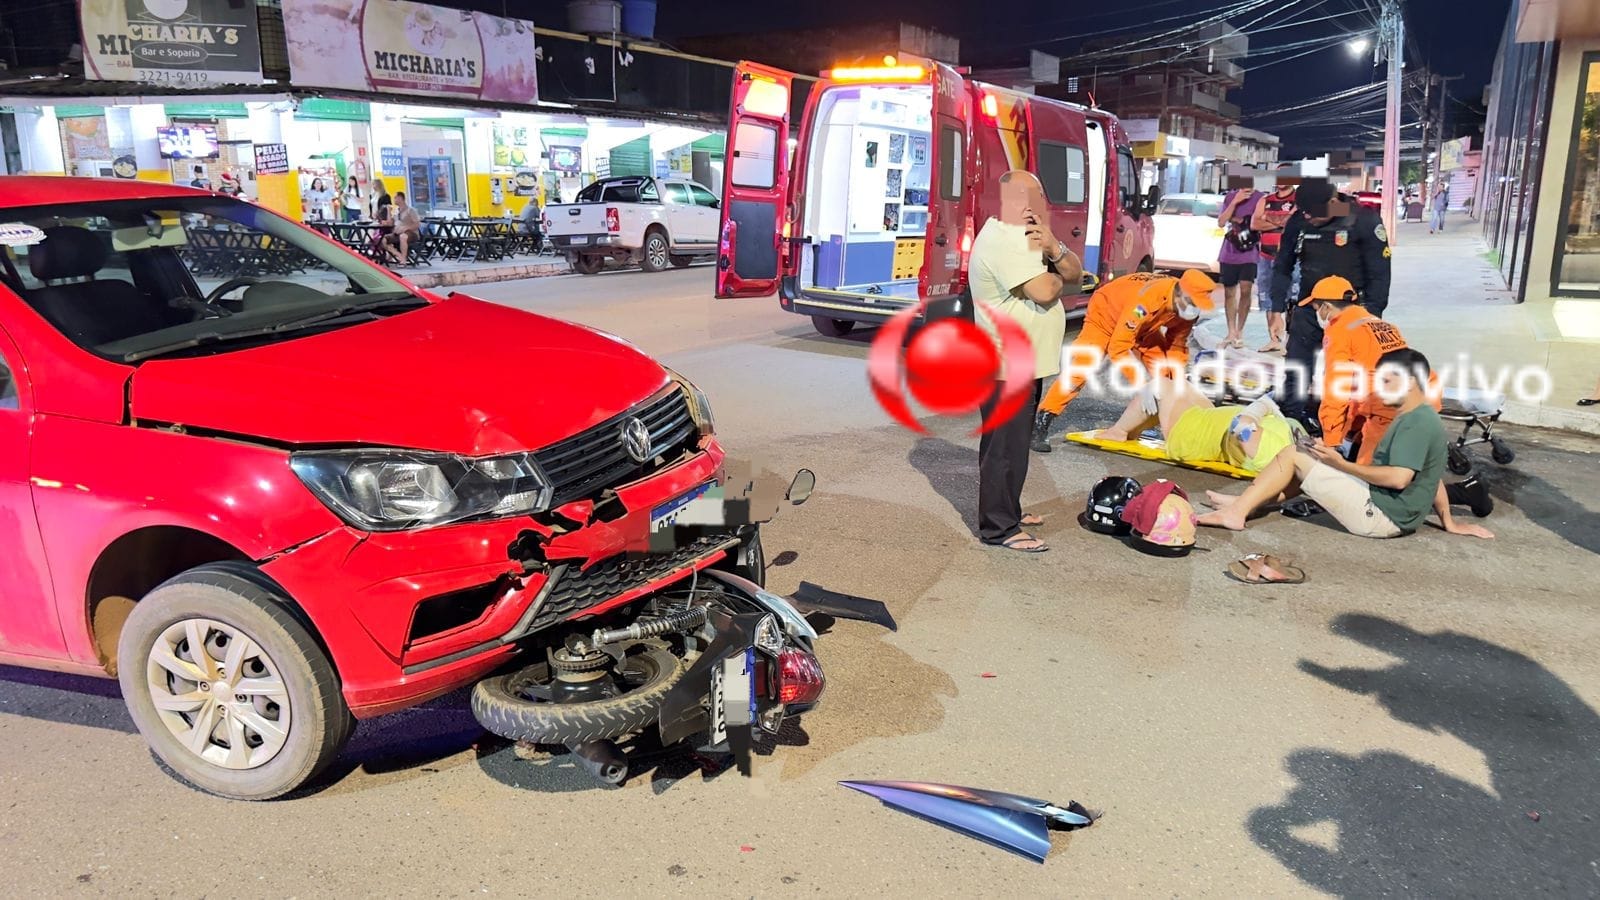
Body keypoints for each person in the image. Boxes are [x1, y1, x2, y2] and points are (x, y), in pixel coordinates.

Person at [1198, 348, 1493, 540]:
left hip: (1379, 517)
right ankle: (1245, 504)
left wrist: (1341, 464)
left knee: (1293, 454)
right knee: (1309, 457)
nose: (1379, 388)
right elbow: (1432, 476)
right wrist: (1449, 521)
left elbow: (1399, 478)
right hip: (1392, 514)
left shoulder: (1415, 422)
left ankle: (1236, 513)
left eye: (1387, 382)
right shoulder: (1423, 415)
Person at [971, 170, 1084, 553]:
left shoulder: (1028, 239)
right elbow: (1046, 289)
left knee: (1013, 446)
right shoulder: (1005, 240)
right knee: (1003, 450)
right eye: (1038, 198)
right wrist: (1056, 271)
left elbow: (1075, 274)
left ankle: (1009, 512)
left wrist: (1054, 252)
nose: (1044, 206)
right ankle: (998, 528)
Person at [1031, 269, 1217, 452]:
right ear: (1179, 293)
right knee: (1084, 365)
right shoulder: (1145, 302)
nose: (1195, 308)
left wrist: (1177, 382)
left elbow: (1176, 346)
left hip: (1145, 327)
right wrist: (1141, 384)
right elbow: (1118, 347)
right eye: (1193, 302)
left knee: (1165, 375)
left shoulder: (1186, 309)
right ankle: (1042, 420)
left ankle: (1158, 421)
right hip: (1106, 315)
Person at [1269, 178, 1392, 432]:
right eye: (1305, 212)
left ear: (1334, 202)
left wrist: (1372, 317)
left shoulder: (1364, 221)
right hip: (1309, 308)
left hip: (1351, 313)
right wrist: (1276, 309)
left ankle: (1338, 428)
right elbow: (1282, 266)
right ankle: (1292, 421)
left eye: (1314, 213)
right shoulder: (1299, 222)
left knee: (1343, 376)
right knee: (1296, 369)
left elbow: (1380, 274)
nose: (1309, 218)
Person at [1099, 375, 1302, 475]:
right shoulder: (1293, 440)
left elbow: (1240, 427)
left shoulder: (1269, 454)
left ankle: (1118, 432)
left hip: (1193, 436)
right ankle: (1134, 428)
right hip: (1209, 419)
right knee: (1179, 385)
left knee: (1159, 386)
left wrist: (1263, 406)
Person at [1251, 180, 1298, 352]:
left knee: (1292, 298)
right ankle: (1274, 339)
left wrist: (1268, 218)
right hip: (1265, 256)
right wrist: (1283, 221)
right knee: (1268, 298)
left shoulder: (1298, 199)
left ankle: (1289, 340)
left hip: (1290, 257)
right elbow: (1255, 224)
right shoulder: (1265, 200)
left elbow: (1295, 222)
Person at [1216, 182, 1263, 349]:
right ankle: (1231, 331)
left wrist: (1242, 220)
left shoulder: (1260, 198)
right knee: (1229, 292)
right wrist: (1235, 202)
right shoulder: (1230, 197)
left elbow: (1259, 222)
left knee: (1245, 290)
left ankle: (1239, 331)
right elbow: (1221, 222)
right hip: (1229, 251)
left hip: (1249, 251)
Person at [384, 192, 423, 266]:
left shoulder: (410, 210)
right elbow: (390, 223)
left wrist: (406, 228)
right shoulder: (396, 211)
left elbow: (417, 224)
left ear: (400, 198)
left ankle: (403, 260)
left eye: (395, 197)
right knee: (382, 239)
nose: (394, 199)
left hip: (411, 233)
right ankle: (399, 255)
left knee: (403, 236)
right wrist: (388, 211)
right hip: (396, 233)